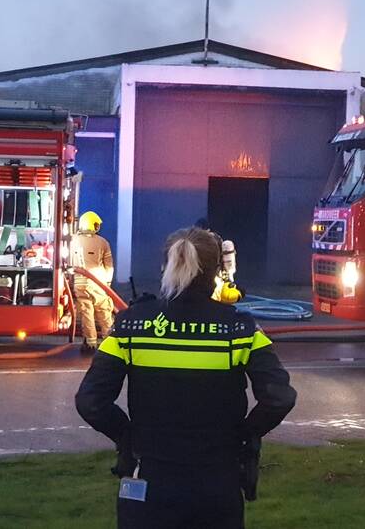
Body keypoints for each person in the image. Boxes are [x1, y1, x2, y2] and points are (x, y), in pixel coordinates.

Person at [75, 227, 296, 529]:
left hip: (149, 479)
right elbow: (279, 397)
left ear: (165, 267)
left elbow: (90, 401)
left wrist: (127, 436)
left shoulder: (131, 325)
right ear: (216, 272)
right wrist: (245, 434)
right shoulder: (238, 328)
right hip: (218, 483)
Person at [71, 211, 115, 354]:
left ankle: (90, 343)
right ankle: (110, 342)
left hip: (79, 283)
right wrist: (107, 283)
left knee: (86, 313)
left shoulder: (73, 240)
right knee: (104, 311)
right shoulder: (103, 242)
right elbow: (109, 266)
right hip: (98, 283)